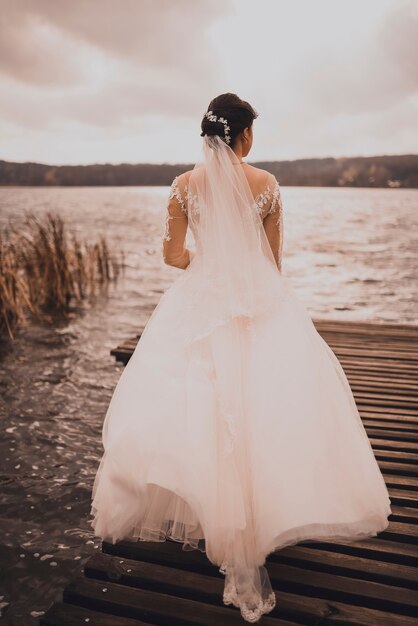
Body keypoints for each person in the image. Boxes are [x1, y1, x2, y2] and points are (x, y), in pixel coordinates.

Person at [89, 93, 392, 623]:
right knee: (266, 398)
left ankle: (213, 514)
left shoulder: (184, 186)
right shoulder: (267, 185)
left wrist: (206, 261)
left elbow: (171, 255)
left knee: (200, 401)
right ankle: (262, 514)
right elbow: (273, 262)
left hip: (201, 298)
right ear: (244, 136)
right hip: (256, 299)